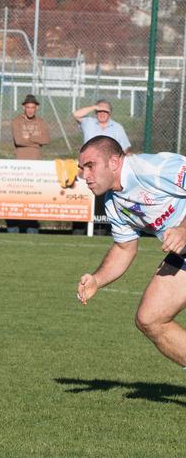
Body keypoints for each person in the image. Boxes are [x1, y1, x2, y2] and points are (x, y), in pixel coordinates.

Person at [76, 136, 186, 371]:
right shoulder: (112, 202)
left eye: (91, 166)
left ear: (114, 162)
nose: (85, 176)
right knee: (150, 318)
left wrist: (184, 228)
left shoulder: (151, 168)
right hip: (183, 255)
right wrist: (97, 279)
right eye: (82, 168)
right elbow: (124, 247)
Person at [73, 100, 130, 234]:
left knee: (107, 199)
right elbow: (76, 114)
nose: (102, 114)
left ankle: (105, 228)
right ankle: (81, 229)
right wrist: (94, 106)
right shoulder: (88, 123)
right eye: (99, 111)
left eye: (105, 111)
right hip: (87, 169)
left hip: (107, 171)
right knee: (85, 198)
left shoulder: (117, 128)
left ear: (110, 113)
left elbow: (125, 149)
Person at [8, 94, 49, 233]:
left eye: (33, 107)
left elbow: (46, 140)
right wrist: (36, 141)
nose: (30, 110)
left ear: (36, 108)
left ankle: (32, 228)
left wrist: (29, 138)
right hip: (20, 164)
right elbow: (19, 140)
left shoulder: (41, 122)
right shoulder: (16, 121)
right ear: (23, 107)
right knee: (18, 198)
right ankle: (14, 228)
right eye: (28, 107)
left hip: (36, 164)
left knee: (34, 198)